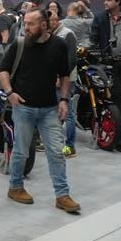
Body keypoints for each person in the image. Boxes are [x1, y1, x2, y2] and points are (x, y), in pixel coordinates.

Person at [0, 9, 80, 213]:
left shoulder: (59, 45)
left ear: (44, 25)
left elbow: (65, 75)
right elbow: (3, 70)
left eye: (31, 24)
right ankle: (15, 187)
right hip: (23, 107)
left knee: (56, 152)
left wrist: (64, 99)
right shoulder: (19, 44)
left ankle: (62, 195)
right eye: (25, 23)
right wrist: (9, 92)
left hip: (49, 109)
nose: (26, 27)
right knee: (21, 151)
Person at [48, 12, 78, 158]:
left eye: (49, 21)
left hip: (66, 80)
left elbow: (72, 59)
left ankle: (70, 146)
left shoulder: (68, 34)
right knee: (55, 111)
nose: (47, 24)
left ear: (56, 21)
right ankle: (56, 142)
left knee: (68, 113)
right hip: (55, 79)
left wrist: (61, 76)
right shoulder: (51, 34)